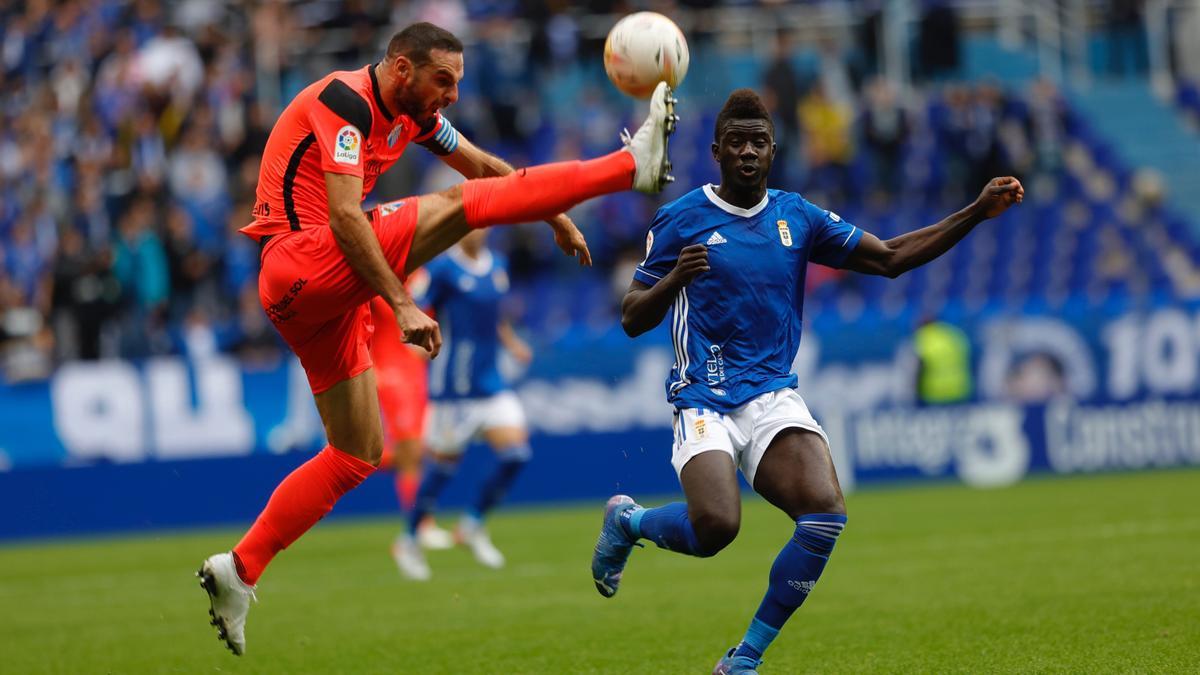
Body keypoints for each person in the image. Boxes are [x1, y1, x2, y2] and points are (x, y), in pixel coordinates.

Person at [198, 22, 678, 656]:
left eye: (456, 81)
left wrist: (552, 213)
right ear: (402, 69)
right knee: (458, 206)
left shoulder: (413, 117)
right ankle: (628, 166)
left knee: (357, 453)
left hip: (315, 301)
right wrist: (401, 304)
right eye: (442, 80)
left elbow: (482, 166)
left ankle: (241, 568)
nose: (451, 95)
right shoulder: (345, 103)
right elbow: (345, 215)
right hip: (301, 260)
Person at [590, 88, 1022, 675]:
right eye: (736, 142)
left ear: (774, 150)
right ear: (716, 151)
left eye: (759, 142)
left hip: (771, 394)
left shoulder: (798, 215)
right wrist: (675, 279)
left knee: (825, 514)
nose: (748, 152)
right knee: (717, 527)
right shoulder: (681, 218)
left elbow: (891, 257)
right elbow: (632, 316)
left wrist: (974, 211)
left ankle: (745, 658)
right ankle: (630, 521)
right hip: (704, 398)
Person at [391, 229, 534, 580]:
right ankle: (408, 539)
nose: (477, 230)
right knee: (443, 469)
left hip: (491, 382)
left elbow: (494, 317)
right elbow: (414, 305)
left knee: (516, 455)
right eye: (470, 223)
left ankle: (471, 525)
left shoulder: (497, 265)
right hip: (454, 388)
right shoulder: (442, 270)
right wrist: (417, 343)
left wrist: (512, 342)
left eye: (483, 223)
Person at [367, 293, 454, 549]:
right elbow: (356, 319)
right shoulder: (377, 275)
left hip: (417, 374)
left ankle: (352, 459)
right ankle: (421, 526)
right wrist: (369, 363)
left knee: (420, 451)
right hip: (390, 373)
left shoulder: (424, 275)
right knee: (412, 450)